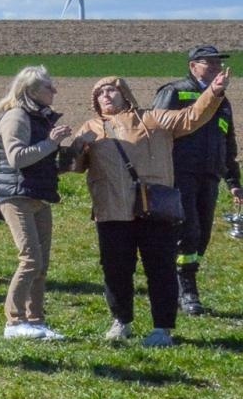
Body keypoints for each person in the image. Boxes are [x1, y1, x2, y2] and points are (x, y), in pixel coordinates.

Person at [61, 71, 229, 347]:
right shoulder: (91, 127)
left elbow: (191, 117)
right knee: (115, 271)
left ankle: (162, 328)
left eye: (111, 90)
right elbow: (73, 168)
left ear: (125, 93)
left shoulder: (153, 119)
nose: (105, 95)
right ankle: (121, 321)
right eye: (99, 93)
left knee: (161, 269)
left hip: (155, 208)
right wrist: (76, 147)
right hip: (111, 211)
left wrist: (213, 92)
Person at [152, 44, 242, 315]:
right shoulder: (175, 92)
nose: (215, 67)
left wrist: (234, 183)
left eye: (218, 63)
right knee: (187, 232)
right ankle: (186, 289)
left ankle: (183, 279)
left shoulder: (222, 101)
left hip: (209, 176)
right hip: (180, 175)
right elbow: (155, 131)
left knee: (202, 235)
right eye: (208, 63)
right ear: (193, 66)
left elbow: (227, 144)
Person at [0, 66, 73, 340]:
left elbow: (40, 161)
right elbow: (17, 158)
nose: (54, 90)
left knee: (41, 263)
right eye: (49, 86)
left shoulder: (40, 117)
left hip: (39, 195)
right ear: (32, 91)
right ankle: (14, 322)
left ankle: (35, 321)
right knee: (30, 260)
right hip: (16, 196)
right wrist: (51, 143)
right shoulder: (16, 116)